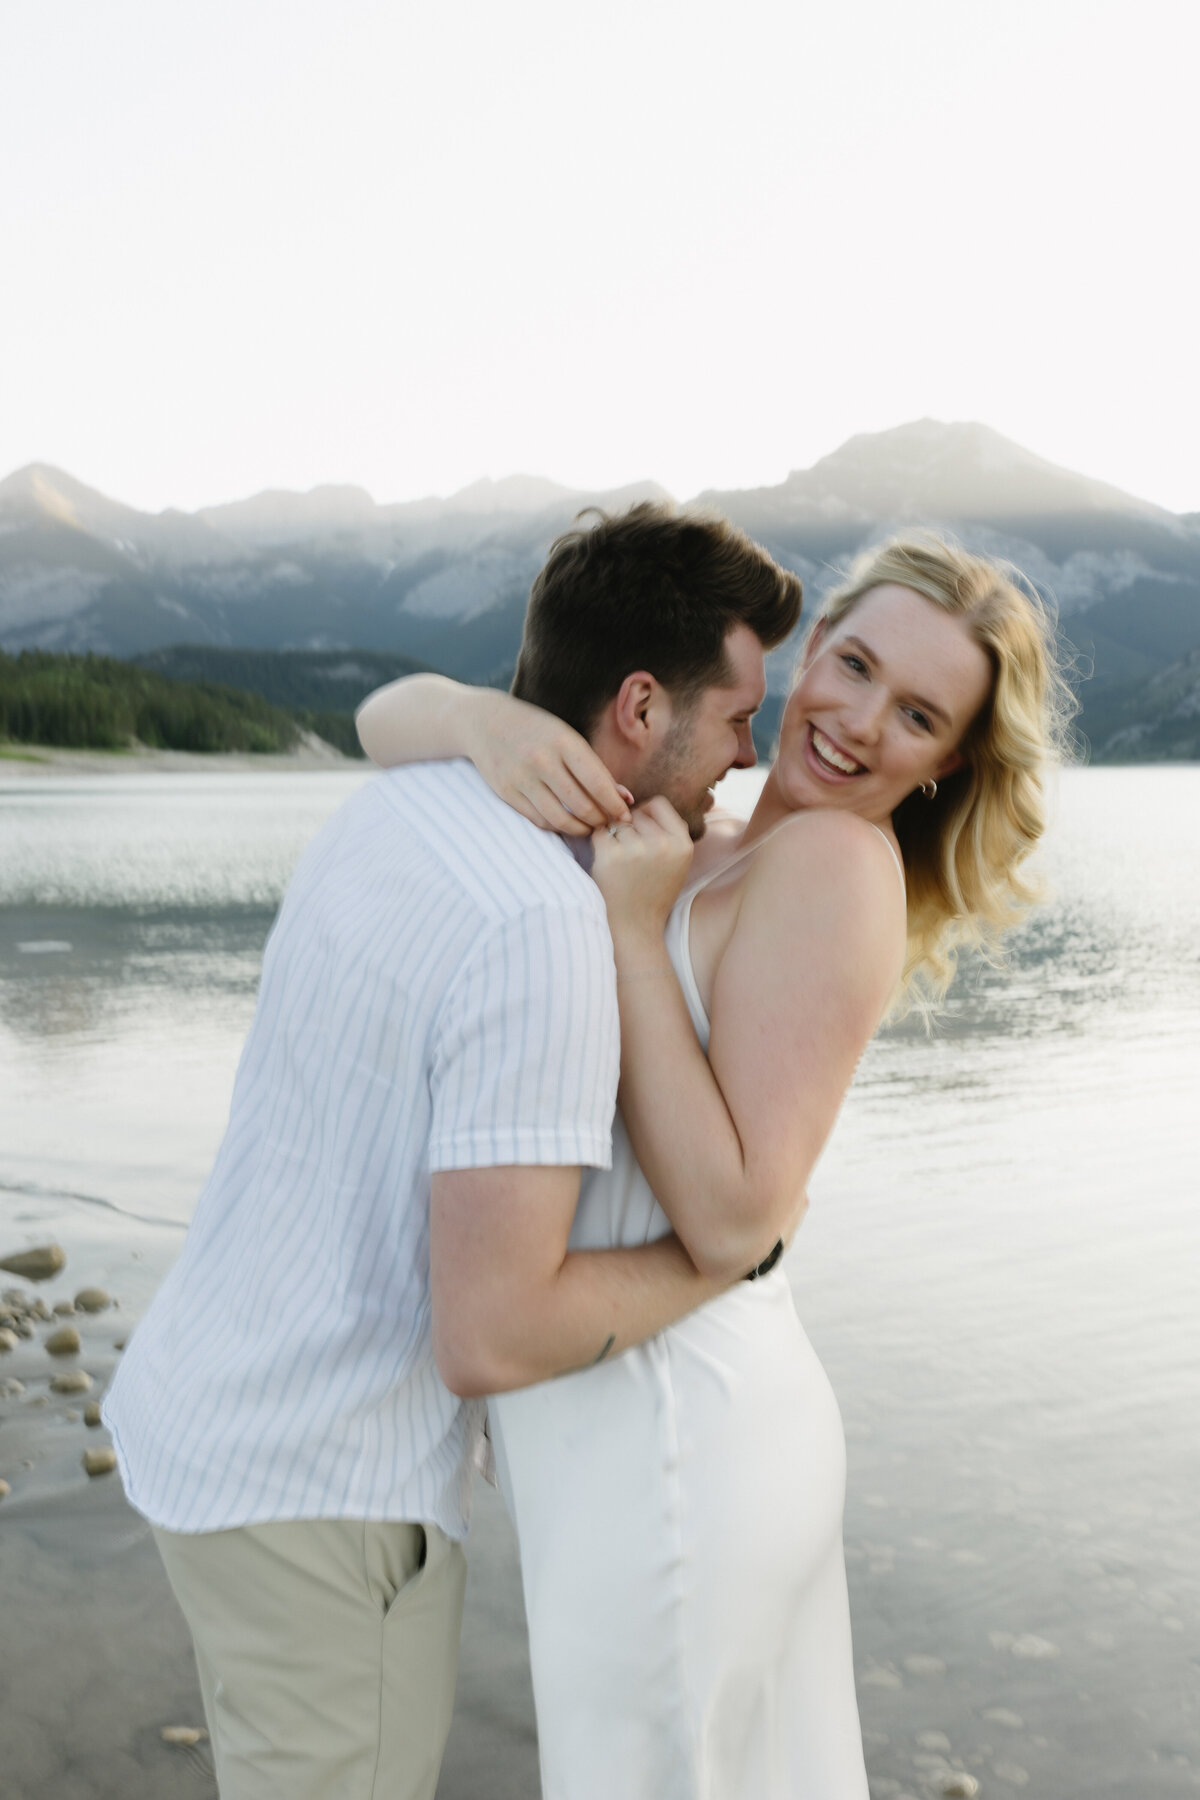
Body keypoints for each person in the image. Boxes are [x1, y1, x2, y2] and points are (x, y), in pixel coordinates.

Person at [101, 502, 801, 1800]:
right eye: (739, 718)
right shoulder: (541, 928)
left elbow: (391, 715)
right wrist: (727, 1260)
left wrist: (468, 716)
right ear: (640, 710)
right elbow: (488, 1335)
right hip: (321, 1495)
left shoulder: (412, 797)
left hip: (203, 1420)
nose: (748, 759)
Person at [358, 529, 1071, 1800]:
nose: (854, 721)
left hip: (681, 1430)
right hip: (607, 1406)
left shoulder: (837, 865)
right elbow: (378, 721)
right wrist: (480, 717)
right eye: (850, 666)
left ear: (949, 759)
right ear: (813, 648)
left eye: (914, 714)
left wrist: (633, 932)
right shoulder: (722, 821)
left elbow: (738, 1214)